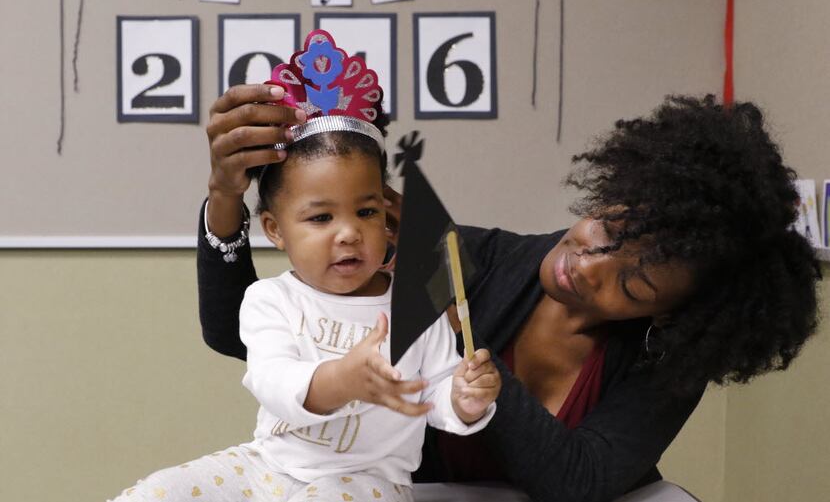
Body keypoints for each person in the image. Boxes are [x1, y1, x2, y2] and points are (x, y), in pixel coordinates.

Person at [198, 91, 821, 502]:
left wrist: (451, 328)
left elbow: (577, 480)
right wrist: (227, 202)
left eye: (632, 283)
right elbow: (239, 334)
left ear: (669, 312)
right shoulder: (476, 260)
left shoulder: (668, 359)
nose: (588, 263)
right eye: (610, 227)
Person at [110, 31, 500, 502]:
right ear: (275, 230)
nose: (349, 232)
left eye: (367, 211)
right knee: (156, 492)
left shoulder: (417, 304)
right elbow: (271, 381)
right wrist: (342, 380)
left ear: (390, 213)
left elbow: (435, 392)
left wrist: (467, 401)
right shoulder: (270, 299)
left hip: (367, 480)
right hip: (269, 467)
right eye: (321, 217)